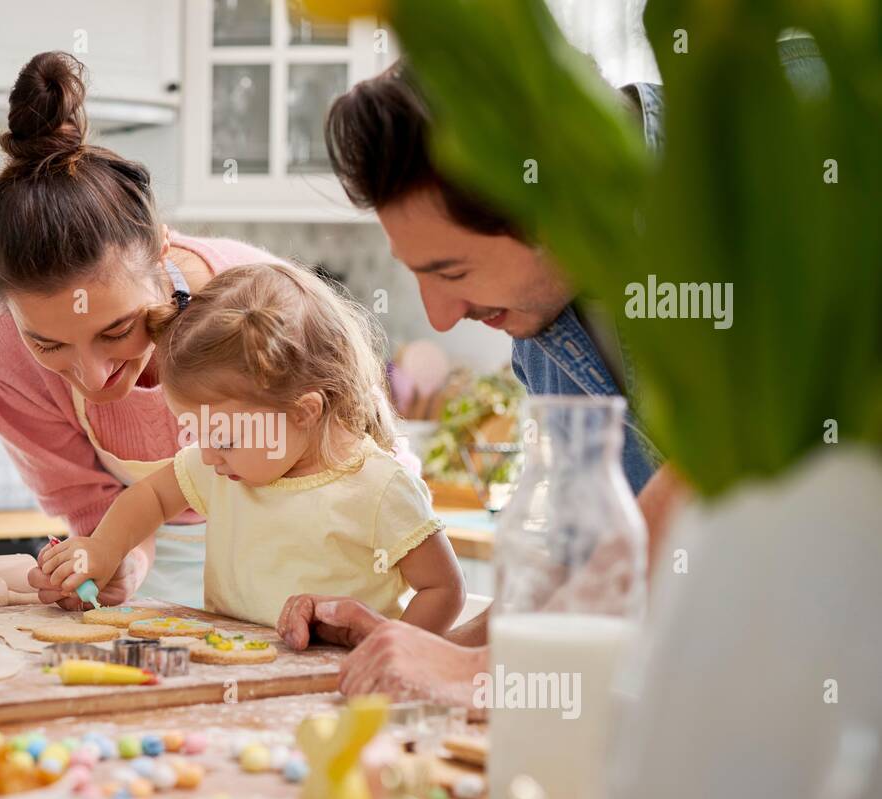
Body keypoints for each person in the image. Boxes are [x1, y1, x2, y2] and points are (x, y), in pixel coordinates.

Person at [276, 62, 691, 699]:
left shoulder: (761, 162)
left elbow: (716, 480)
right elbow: (587, 573)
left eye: (453, 270)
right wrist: (429, 648)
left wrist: (477, 673)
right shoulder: (546, 309)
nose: (441, 314)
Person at [0, 51, 281, 610]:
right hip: (159, 573)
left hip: (295, 549)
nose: (94, 377)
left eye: (117, 331)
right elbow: (96, 506)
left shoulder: (257, 301)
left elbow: (364, 456)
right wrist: (117, 561)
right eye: (49, 344)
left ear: (160, 252)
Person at [39, 262, 465, 635]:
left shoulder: (379, 488)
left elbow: (443, 588)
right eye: (196, 433)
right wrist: (105, 548)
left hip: (338, 691)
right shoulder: (224, 469)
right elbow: (149, 496)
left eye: (222, 438)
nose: (206, 455)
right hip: (233, 676)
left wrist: (396, 647)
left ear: (304, 412)